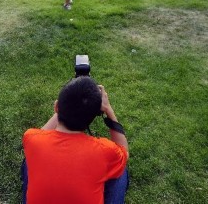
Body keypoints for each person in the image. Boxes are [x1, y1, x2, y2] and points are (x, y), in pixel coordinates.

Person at [22, 76, 129, 204]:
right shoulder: (106, 151)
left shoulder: (31, 139)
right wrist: (108, 109)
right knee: (120, 168)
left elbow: (41, 133)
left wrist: (65, 106)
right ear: (94, 117)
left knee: (29, 161)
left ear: (56, 107)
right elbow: (124, 152)